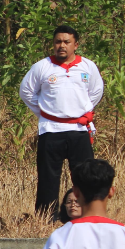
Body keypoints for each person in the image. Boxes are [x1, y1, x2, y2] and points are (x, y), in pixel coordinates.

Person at [19, 25, 103, 216]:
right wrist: (44, 112)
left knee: (85, 176)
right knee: (48, 177)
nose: (62, 46)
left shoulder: (87, 66)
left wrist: (82, 110)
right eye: (58, 42)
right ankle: (46, 217)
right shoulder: (42, 67)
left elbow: (97, 91)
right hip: (50, 129)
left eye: (66, 42)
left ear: (76, 45)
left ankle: (86, 213)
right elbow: (26, 92)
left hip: (79, 129)